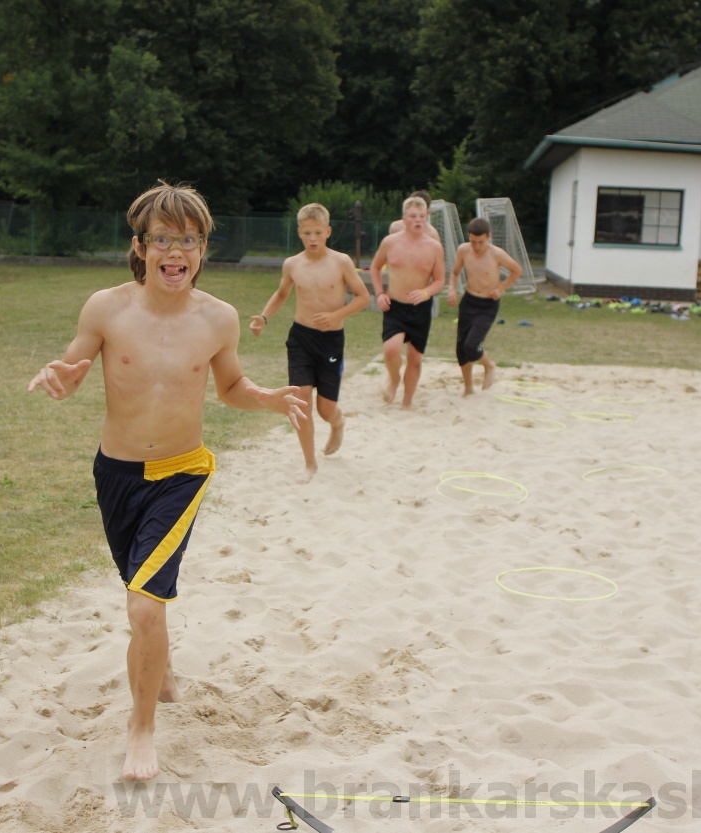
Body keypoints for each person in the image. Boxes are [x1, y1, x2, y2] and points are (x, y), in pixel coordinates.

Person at [27, 182, 307, 782]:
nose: (175, 251)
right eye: (163, 239)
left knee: (142, 607)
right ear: (141, 246)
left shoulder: (219, 319)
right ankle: (163, 667)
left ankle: (141, 730)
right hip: (115, 475)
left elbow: (231, 389)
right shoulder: (105, 308)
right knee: (144, 602)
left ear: (203, 249)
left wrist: (266, 399)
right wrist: (60, 376)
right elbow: (74, 369)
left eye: (189, 239)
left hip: (181, 474)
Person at [250, 203, 370, 482]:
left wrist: (336, 315)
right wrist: (264, 318)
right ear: (299, 233)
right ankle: (310, 463)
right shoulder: (292, 264)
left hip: (330, 342)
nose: (313, 238)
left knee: (325, 409)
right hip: (301, 339)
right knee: (301, 402)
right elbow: (281, 294)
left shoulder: (341, 262)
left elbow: (364, 297)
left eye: (318, 232)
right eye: (307, 233)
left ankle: (338, 424)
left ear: (327, 231)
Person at [368, 195, 446, 409]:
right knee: (391, 350)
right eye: (413, 216)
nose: (418, 220)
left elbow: (440, 281)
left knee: (415, 358)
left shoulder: (434, 246)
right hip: (395, 305)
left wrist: (425, 292)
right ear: (404, 219)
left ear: (427, 217)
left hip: (420, 308)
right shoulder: (390, 242)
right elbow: (375, 268)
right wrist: (379, 293)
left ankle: (407, 402)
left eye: (422, 216)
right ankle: (394, 378)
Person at [447, 217, 523, 395]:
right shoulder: (464, 250)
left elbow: (517, 270)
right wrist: (452, 289)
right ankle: (468, 388)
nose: (477, 246)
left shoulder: (496, 253)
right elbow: (455, 272)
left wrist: (501, 288)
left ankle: (489, 366)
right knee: (461, 349)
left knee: (472, 346)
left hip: (487, 304)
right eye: (473, 241)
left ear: (488, 237)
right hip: (468, 301)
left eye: (480, 242)